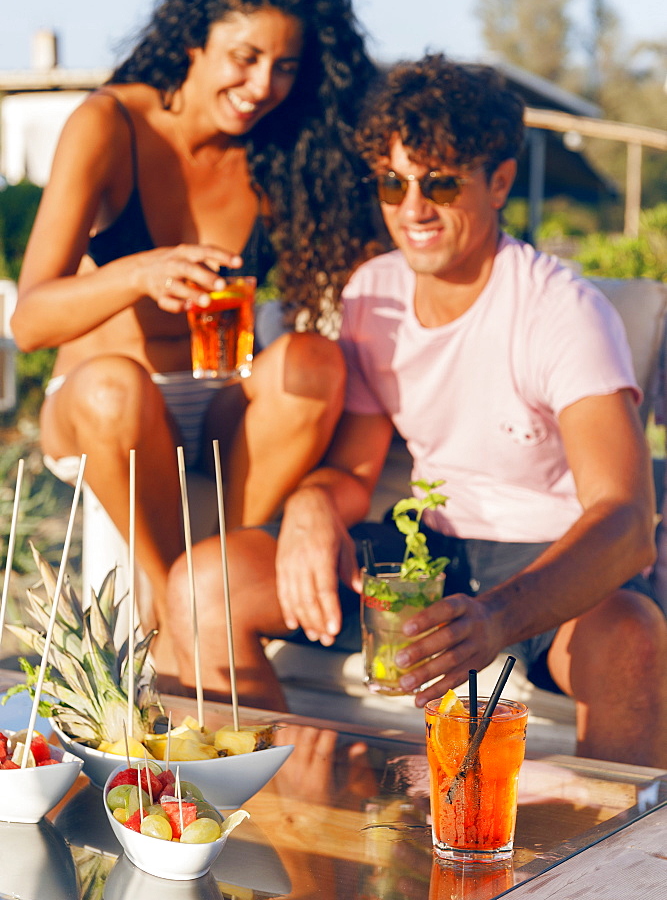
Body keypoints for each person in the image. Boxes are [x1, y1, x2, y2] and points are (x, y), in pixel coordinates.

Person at [168, 53, 667, 767]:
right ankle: (286, 823)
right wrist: (314, 504)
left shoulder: (561, 310)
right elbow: (353, 464)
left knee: (630, 639)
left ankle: (611, 875)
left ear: (498, 181)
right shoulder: (374, 292)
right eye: (392, 184)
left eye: (437, 182)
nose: (412, 210)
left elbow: (623, 525)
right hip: (426, 550)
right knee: (203, 587)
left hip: (552, 562)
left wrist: (495, 616)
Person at [10, 0, 379, 674]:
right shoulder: (111, 125)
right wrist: (137, 273)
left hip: (216, 397)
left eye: (283, 67)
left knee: (310, 359)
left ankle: (209, 597)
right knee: (115, 383)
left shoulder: (285, 147)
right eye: (243, 56)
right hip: (99, 408)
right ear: (193, 41)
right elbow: (29, 322)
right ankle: (159, 596)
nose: (261, 84)